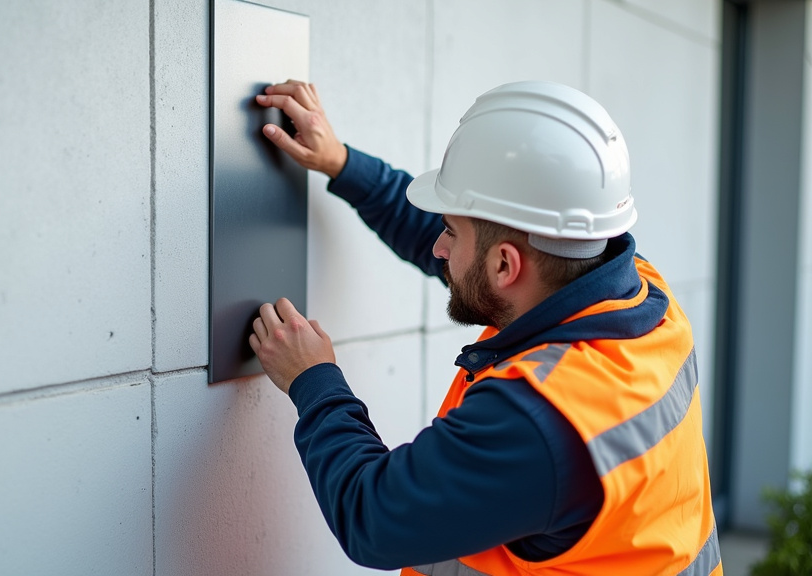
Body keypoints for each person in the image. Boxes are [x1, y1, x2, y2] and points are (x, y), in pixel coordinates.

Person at [248, 80, 721, 576]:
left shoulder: (543, 417)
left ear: (505, 267)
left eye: (450, 232)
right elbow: (474, 259)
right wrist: (342, 163)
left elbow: (376, 519)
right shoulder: (639, 296)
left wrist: (314, 380)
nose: (438, 248)